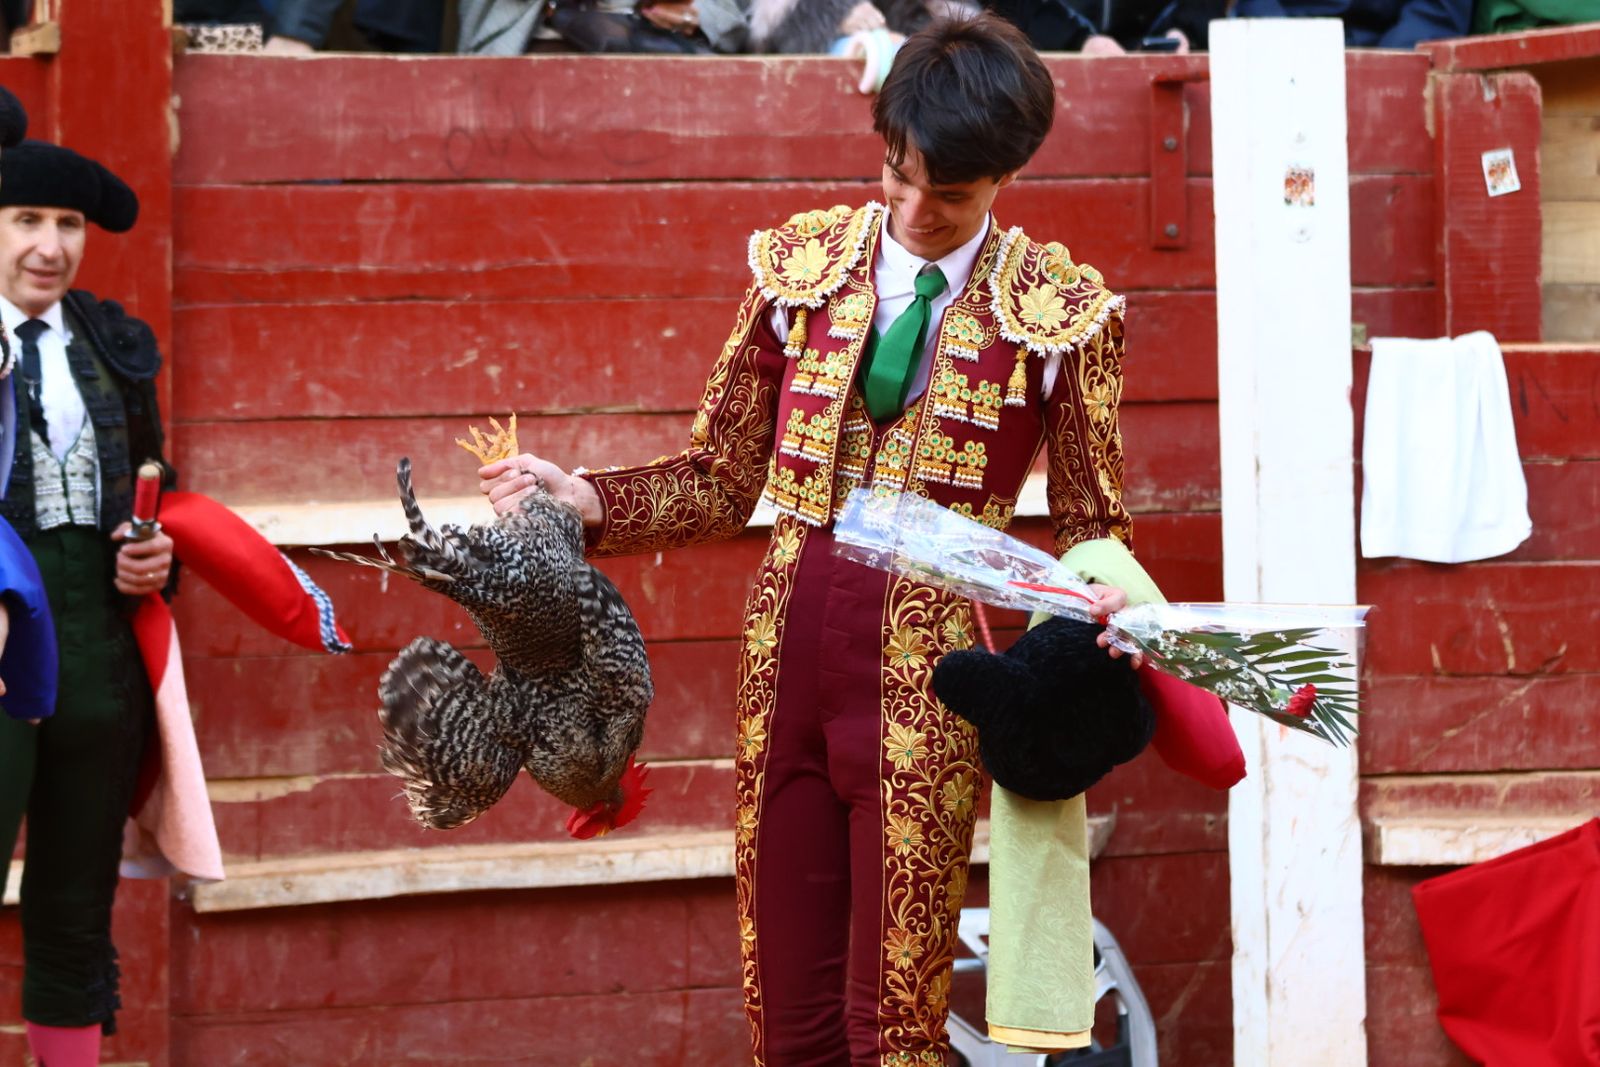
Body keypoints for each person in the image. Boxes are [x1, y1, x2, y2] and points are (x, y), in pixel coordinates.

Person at [481, 14, 1146, 1063]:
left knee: (891, 1025)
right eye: (899, 176)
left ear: (1005, 178)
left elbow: (1092, 525)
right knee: (786, 1020)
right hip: (782, 660)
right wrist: (586, 499)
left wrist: (1108, 597)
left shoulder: (1061, 318)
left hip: (929, 681)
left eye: (952, 196)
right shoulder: (802, 273)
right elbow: (717, 477)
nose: (916, 213)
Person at [0, 137, 176, 1067]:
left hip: (96, 660)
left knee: (75, 910)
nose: (50, 246)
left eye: (67, 224)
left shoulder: (110, 344)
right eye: (27, 220)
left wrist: (156, 555)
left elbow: (159, 481)